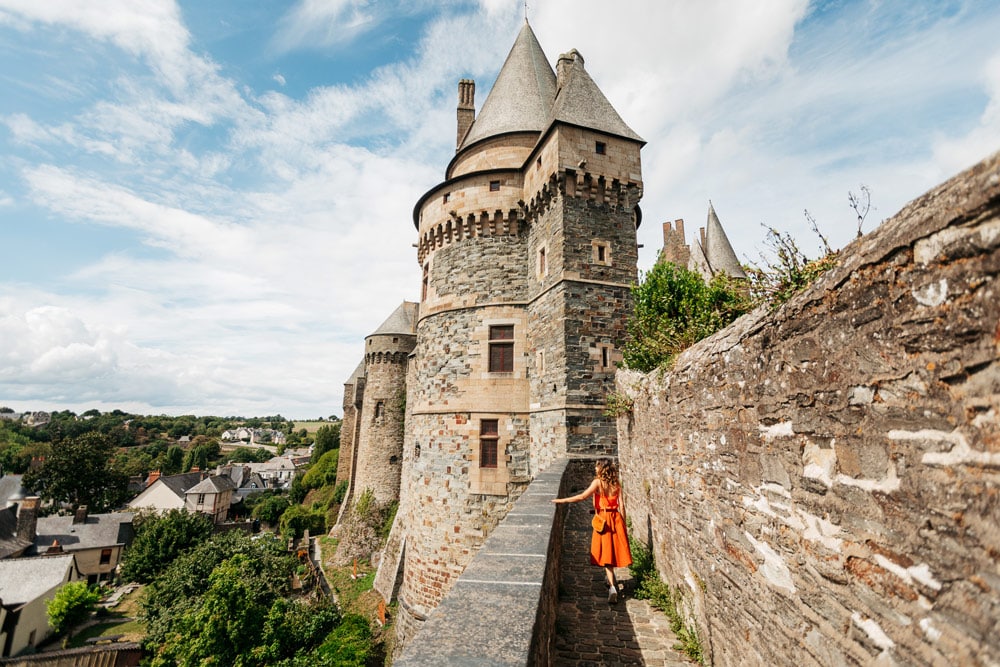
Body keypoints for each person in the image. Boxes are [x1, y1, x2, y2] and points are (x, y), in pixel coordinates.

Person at [552, 458, 633, 603]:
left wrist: (562, 501)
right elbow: (622, 506)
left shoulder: (598, 483)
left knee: (607, 554)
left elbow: (582, 496)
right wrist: (623, 524)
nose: (595, 469)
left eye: (597, 467)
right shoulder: (616, 483)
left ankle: (612, 587)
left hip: (603, 519)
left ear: (601, 468)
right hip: (616, 518)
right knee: (613, 550)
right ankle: (610, 580)